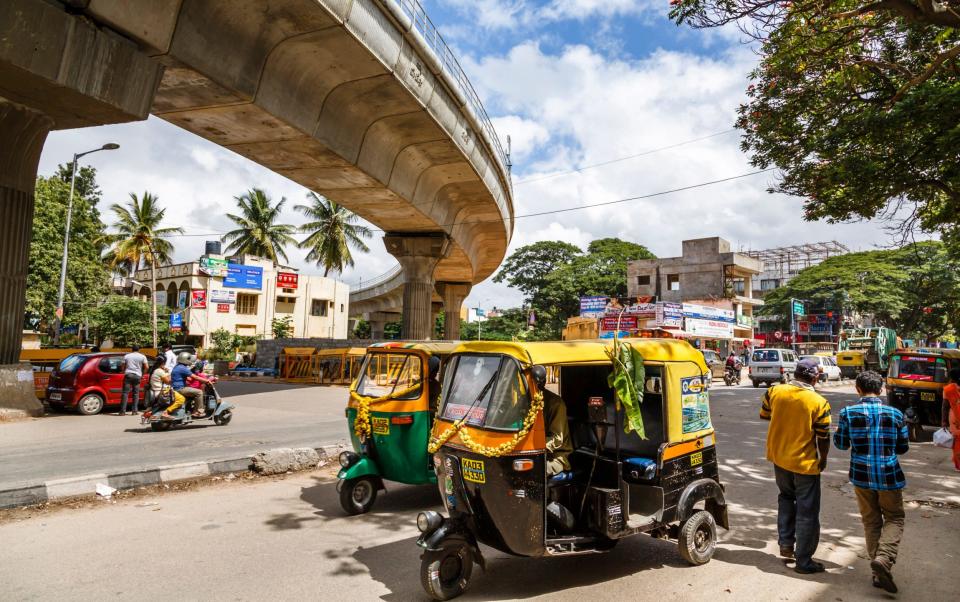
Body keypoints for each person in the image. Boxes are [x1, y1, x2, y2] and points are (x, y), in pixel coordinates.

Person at [834, 371, 909, 594]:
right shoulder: (895, 414)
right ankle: (884, 558)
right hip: (889, 474)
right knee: (894, 517)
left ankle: (878, 571)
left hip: (861, 475)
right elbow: (903, 448)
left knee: (871, 521)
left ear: (858, 389)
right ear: (882, 389)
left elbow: (840, 444)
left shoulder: (848, 412)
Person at [759, 357, 832, 574]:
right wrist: (824, 458)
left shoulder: (774, 392)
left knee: (786, 498)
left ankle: (786, 544)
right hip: (805, 463)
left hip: (779, 458)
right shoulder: (818, 402)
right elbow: (823, 436)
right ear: (815, 377)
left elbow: (765, 415)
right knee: (807, 511)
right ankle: (804, 561)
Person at [533, 365, 572, 476]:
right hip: (535, 455)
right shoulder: (528, 402)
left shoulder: (556, 404)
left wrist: (533, 446)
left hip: (556, 457)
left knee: (533, 471)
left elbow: (557, 439)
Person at [171, 352, 204, 418]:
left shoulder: (177, 366)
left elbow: (186, 377)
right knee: (200, 392)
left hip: (175, 388)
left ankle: (189, 409)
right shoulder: (183, 368)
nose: (190, 361)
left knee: (192, 393)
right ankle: (198, 411)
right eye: (189, 359)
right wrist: (207, 381)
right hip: (180, 389)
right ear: (185, 359)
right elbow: (196, 377)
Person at [120, 344, 148, 416]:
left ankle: (122, 412)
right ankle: (134, 411)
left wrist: (123, 371)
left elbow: (122, 366)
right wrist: (142, 374)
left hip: (128, 375)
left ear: (132, 349)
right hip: (137, 375)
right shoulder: (142, 356)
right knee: (136, 394)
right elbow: (146, 367)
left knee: (125, 393)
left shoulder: (127, 356)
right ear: (139, 349)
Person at [942, 368, 960, 472]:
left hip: (955, 418)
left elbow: (945, 407)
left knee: (957, 441)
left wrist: (944, 421)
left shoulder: (948, 389)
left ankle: (958, 464)